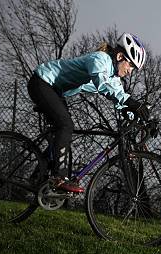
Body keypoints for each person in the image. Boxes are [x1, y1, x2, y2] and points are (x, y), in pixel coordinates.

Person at [27, 33, 147, 193]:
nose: (130, 71)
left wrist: (140, 119)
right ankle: (58, 178)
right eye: (130, 65)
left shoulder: (114, 77)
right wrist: (131, 103)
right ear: (120, 56)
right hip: (42, 82)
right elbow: (101, 83)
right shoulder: (99, 59)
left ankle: (37, 178)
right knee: (66, 125)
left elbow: (120, 99)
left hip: (55, 90)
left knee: (62, 137)